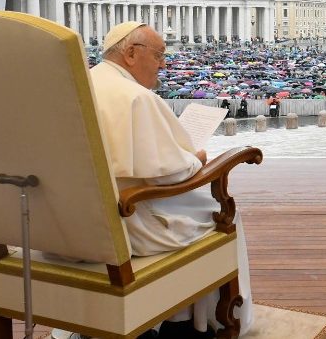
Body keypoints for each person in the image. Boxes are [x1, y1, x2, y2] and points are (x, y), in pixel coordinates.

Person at [87, 22, 254, 338]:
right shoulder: (135, 97)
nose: (164, 64)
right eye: (159, 55)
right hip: (129, 225)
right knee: (224, 215)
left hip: (80, 223)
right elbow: (176, 172)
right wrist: (197, 159)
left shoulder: (82, 84)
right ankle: (200, 322)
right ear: (132, 53)